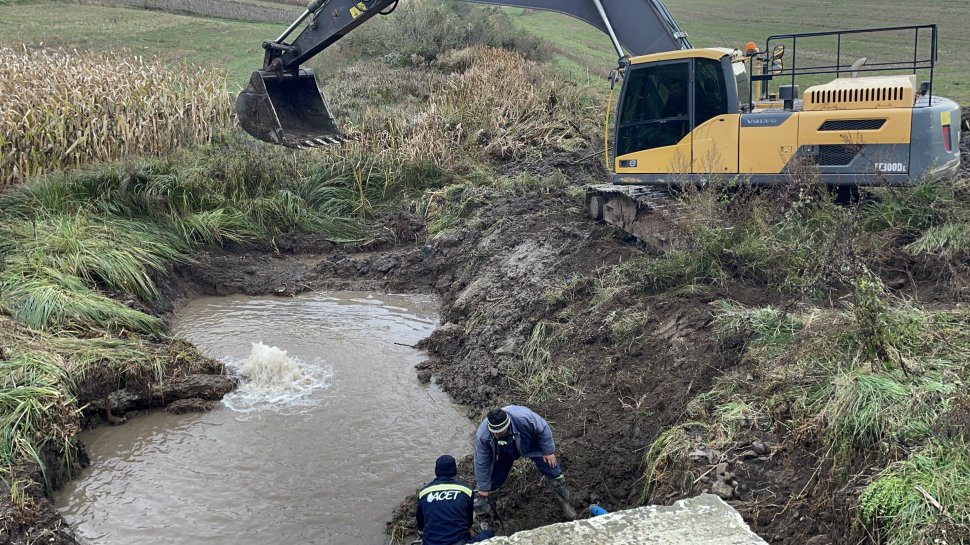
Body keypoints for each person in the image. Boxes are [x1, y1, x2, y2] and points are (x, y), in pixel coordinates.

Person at [473, 406, 577, 519]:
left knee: (553, 470)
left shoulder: (524, 418)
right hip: (503, 452)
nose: (496, 435)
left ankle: (565, 503)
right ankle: (489, 512)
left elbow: (543, 429)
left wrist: (548, 451)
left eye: (499, 432)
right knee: (492, 483)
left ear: (507, 425)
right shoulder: (483, 435)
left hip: (529, 443)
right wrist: (483, 487)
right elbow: (481, 461)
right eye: (494, 432)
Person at [416, 455, 495, 545]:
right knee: (489, 533)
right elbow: (468, 520)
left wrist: (421, 534)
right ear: (454, 471)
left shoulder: (423, 492)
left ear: (436, 471)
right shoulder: (466, 489)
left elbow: (420, 521)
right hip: (459, 542)